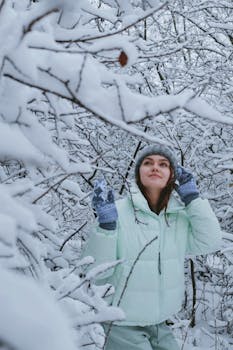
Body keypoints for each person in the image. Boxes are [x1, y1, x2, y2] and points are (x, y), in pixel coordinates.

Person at [83, 145, 222, 350]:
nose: (155, 167)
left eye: (163, 164)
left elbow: (210, 241)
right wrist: (106, 227)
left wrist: (192, 198)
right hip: (122, 321)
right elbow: (96, 272)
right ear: (138, 172)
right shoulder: (116, 212)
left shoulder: (179, 216)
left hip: (159, 321)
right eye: (148, 163)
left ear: (172, 175)